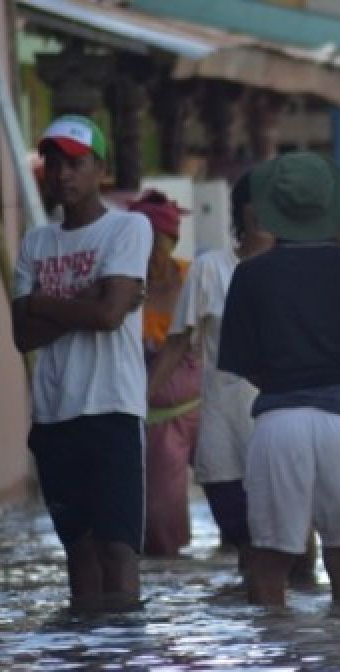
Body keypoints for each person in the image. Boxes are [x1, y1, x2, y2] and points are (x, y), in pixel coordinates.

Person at [218, 152, 340, 607]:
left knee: (269, 560)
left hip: (278, 423)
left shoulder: (249, 275)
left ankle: (276, 665)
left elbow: (241, 362)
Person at [11, 115, 152, 611]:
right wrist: (85, 301)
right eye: (54, 162)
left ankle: (121, 658)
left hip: (112, 409)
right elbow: (21, 335)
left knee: (118, 548)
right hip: (54, 416)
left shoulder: (129, 227)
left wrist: (46, 302)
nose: (63, 173)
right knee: (78, 550)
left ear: (100, 169)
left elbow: (110, 316)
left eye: (76, 163)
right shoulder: (36, 241)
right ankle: (86, 667)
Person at [147, 175, 272, 571]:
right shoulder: (209, 270)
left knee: (296, 555)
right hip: (225, 438)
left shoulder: (295, 272)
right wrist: (134, 408)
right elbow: (176, 346)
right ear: (241, 211)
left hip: (282, 437)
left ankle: (295, 633)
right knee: (245, 551)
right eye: (259, 202)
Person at [132, 190, 200, 558]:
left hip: (207, 407)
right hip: (156, 418)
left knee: (240, 503)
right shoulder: (123, 287)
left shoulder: (192, 276)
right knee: (161, 523)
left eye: (157, 244)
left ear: (171, 242)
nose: (151, 255)